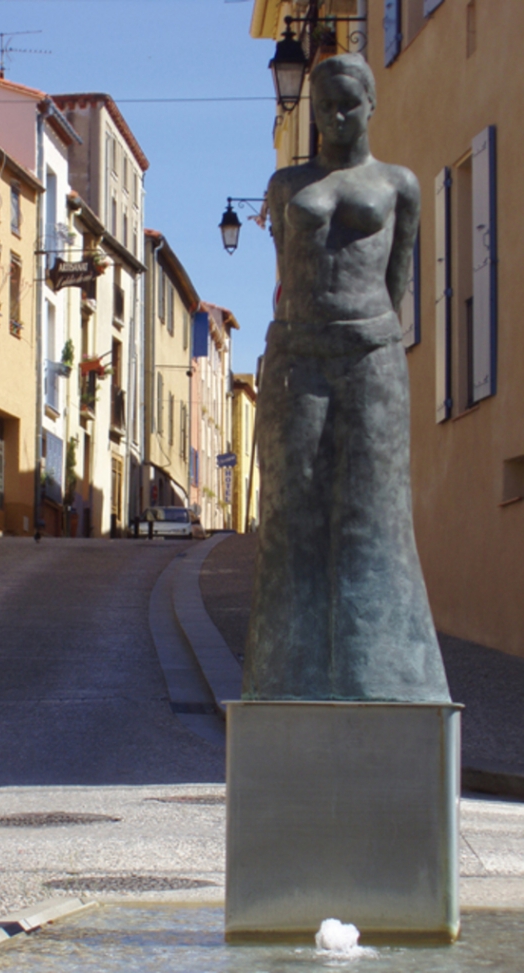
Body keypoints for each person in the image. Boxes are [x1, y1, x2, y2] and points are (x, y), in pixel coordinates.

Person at [242, 54, 450, 703]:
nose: (335, 117)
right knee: (291, 516)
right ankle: (287, 676)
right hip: (298, 354)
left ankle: (386, 678)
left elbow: (398, 282)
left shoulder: (399, 185)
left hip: (370, 353)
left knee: (374, 514)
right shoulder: (285, 186)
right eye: (326, 105)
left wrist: (360, 327)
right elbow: (288, 272)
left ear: (371, 107)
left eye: (348, 105)